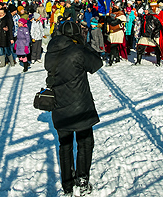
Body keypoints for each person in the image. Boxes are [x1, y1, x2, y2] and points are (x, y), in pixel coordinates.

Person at [45, 22, 102, 196]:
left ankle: (67, 186)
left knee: (65, 145)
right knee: (85, 142)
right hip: (80, 105)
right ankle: (82, 181)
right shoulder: (77, 51)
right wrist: (84, 46)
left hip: (60, 106)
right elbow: (96, 63)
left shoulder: (51, 52)